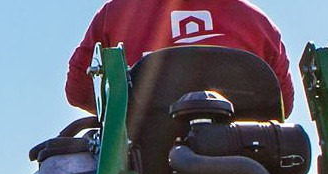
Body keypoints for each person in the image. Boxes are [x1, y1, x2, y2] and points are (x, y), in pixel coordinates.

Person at [65, 0, 293, 116]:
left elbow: (79, 91)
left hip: (145, 171)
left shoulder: (115, 14)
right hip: (251, 165)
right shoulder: (259, 23)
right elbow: (282, 106)